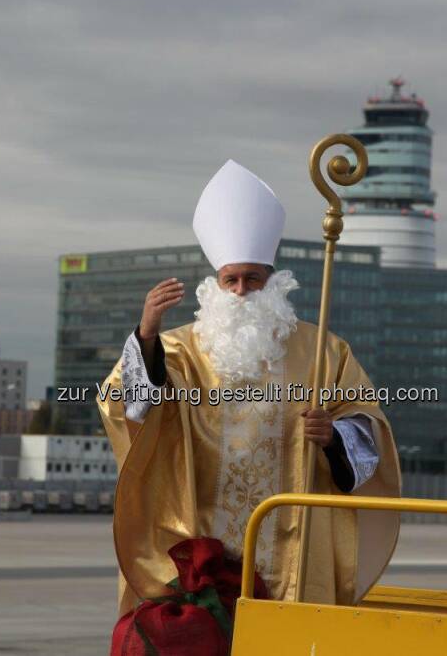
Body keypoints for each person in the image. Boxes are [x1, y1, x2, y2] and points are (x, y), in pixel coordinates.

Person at [98, 160, 401, 620]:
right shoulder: (179, 349)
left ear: (271, 280)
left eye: (253, 279)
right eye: (231, 279)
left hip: (293, 548)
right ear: (217, 284)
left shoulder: (323, 351)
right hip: (202, 539)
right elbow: (131, 407)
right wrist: (145, 335)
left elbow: (368, 424)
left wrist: (334, 437)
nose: (242, 290)